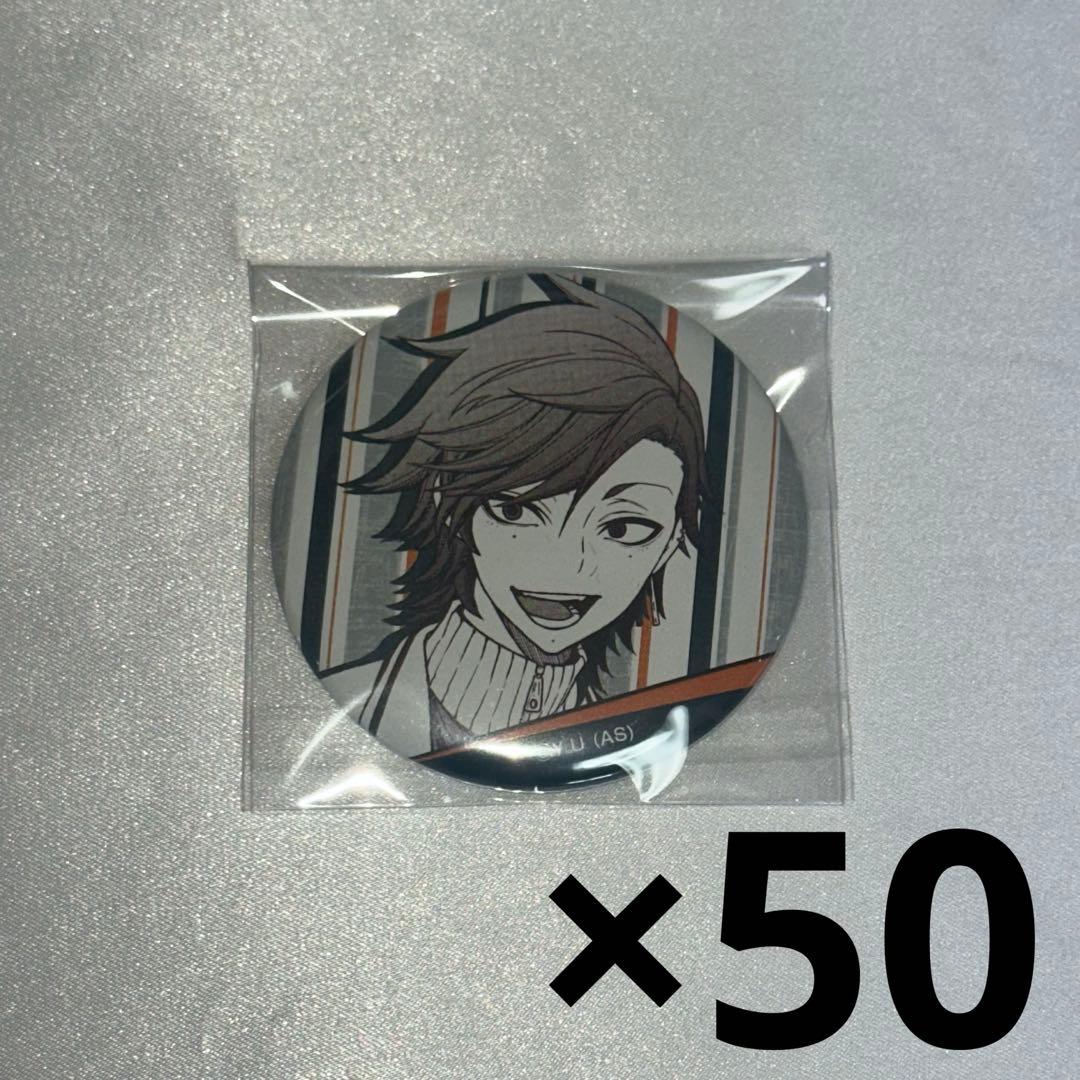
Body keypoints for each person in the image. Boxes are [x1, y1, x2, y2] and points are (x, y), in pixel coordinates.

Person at [321, 276, 707, 758]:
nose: (566, 564)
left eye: (622, 528)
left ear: (669, 542)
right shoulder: (338, 705)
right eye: (517, 510)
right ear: (447, 503)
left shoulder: (646, 732)